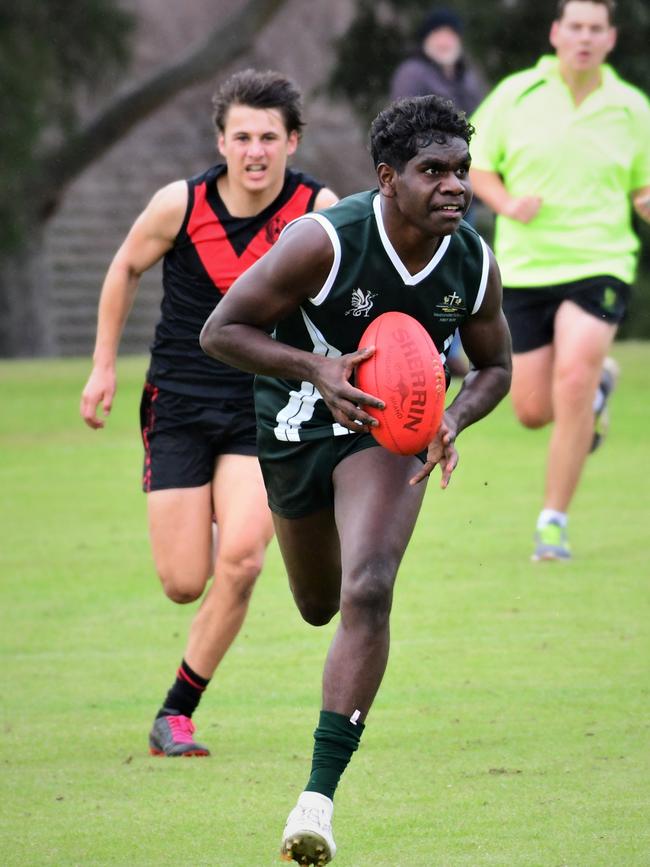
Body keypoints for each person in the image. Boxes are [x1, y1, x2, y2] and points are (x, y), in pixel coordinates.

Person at [200, 94, 512, 864]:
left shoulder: (470, 261)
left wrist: (453, 416)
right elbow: (221, 332)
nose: (454, 186)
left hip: (388, 432)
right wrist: (317, 367)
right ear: (387, 177)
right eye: (432, 170)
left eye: (461, 171)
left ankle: (316, 800)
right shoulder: (323, 243)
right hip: (294, 421)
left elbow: (497, 366)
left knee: (368, 589)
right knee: (317, 604)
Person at [80, 69, 337, 757]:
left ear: (293, 141)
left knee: (245, 558)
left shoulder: (317, 208)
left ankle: (177, 712)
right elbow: (124, 267)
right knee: (182, 580)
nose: (256, 151)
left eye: (269, 138)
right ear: (221, 141)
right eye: (243, 137)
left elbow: (349, 293)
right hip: (180, 405)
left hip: (262, 404)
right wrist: (104, 364)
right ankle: (220, 506)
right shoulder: (179, 204)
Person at [470, 0, 650, 561]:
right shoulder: (517, 93)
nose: (585, 37)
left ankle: (553, 522)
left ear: (610, 39)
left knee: (572, 377)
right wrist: (504, 202)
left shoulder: (632, 107)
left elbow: (643, 189)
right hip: (524, 269)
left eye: (596, 28)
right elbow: (476, 162)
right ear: (556, 32)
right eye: (575, 26)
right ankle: (599, 391)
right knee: (530, 410)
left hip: (600, 261)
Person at [390, 7, 488, 377]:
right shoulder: (413, 73)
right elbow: (406, 125)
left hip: (462, 184)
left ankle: (453, 344)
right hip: (423, 189)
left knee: (460, 261)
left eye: (451, 35)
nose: (446, 41)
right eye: (439, 36)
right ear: (427, 41)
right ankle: (426, 344)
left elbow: (482, 123)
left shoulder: (467, 77)